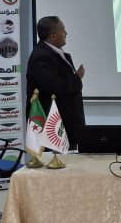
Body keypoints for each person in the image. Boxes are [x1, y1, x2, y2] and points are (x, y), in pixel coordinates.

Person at [26, 16, 85, 149]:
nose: (66, 33)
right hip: (54, 128)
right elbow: (56, 88)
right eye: (63, 30)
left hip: (67, 125)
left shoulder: (54, 53)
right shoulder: (41, 57)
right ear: (52, 35)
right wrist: (77, 78)